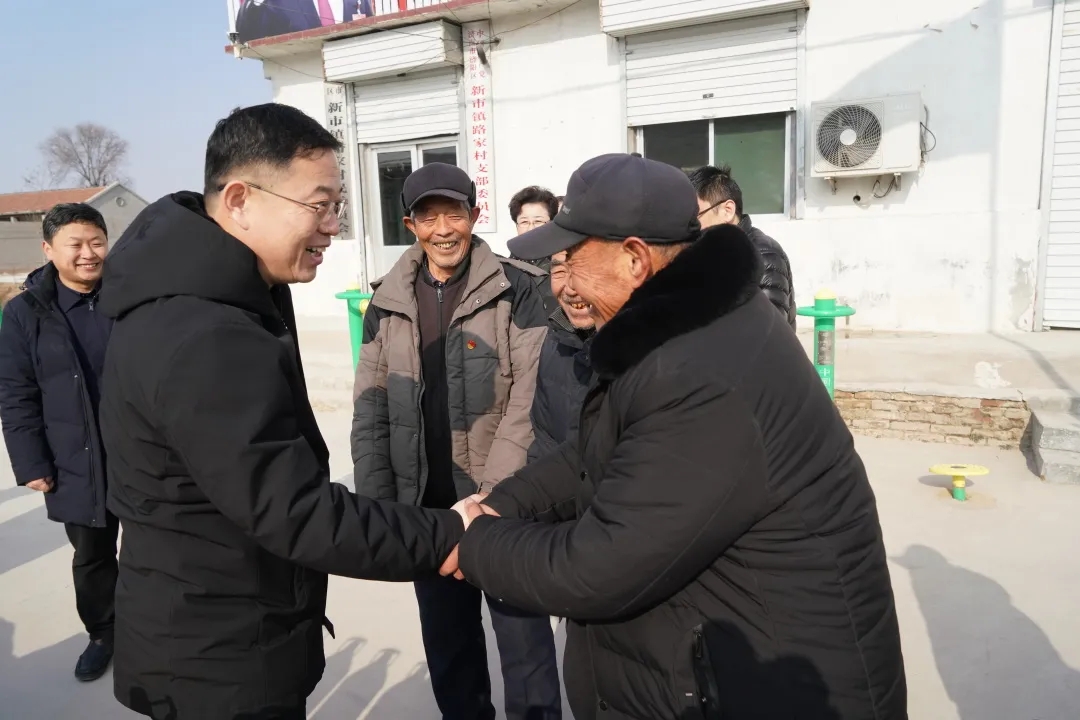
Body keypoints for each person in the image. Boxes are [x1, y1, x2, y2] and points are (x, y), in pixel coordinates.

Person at [448, 153, 907, 720]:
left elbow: (599, 567)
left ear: (634, 259)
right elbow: (592, 452)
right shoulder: (681, 329)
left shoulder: (699, 373)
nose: (562, 282)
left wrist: (474, 544)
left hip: (775, 690)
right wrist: (501, 504)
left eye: (571, 258)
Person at [96, 104, 469, 720]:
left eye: (337, 207)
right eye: (319, 205)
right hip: (219, 657)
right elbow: (293, 510)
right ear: (240, 200)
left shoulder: (225, 292)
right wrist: (447, 534)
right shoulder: (207, 332)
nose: (332, 227)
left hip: (214, 624)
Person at [350, 163, 560, 720]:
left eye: (454, 214)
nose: (443, 229)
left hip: (505, 506)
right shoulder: (386, 299)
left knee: (524, 648)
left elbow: (528, 403)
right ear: (410, 224)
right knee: (450, 651)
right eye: (429, 216)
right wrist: (381, 510)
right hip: (429, 511)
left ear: (474, 215)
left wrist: (492, 501)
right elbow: (371, 407)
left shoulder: (518, 288)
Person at [0, 204, 117, 683]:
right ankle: (103, 634)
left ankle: (154, 631)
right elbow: (15, 392)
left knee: (157, 550)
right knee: (92, 556)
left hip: (139, 454)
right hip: (73, 459)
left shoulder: (131, 296)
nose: (89, 254)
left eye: (97, 242)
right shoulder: (25, 312)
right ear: (48, 250)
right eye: (76, 244)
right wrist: (31, 463)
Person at [689, 164, 797, 329]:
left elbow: (768, 332)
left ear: (727, 210)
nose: (690, 226)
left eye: (695, 217)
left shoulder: (762, 255)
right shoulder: (711, 254)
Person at [527, 248, 595, 464]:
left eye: (583, 268)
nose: (570, 287)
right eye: (559, 272)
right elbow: (545, 442)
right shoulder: (557, 338)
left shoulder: (655, 352)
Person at [508, 185, 560, 311]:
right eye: (524, 222)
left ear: (552, 224)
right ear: (517, 226)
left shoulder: (563, 265)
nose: (531, 228)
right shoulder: (505, 269)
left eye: (538, 221)